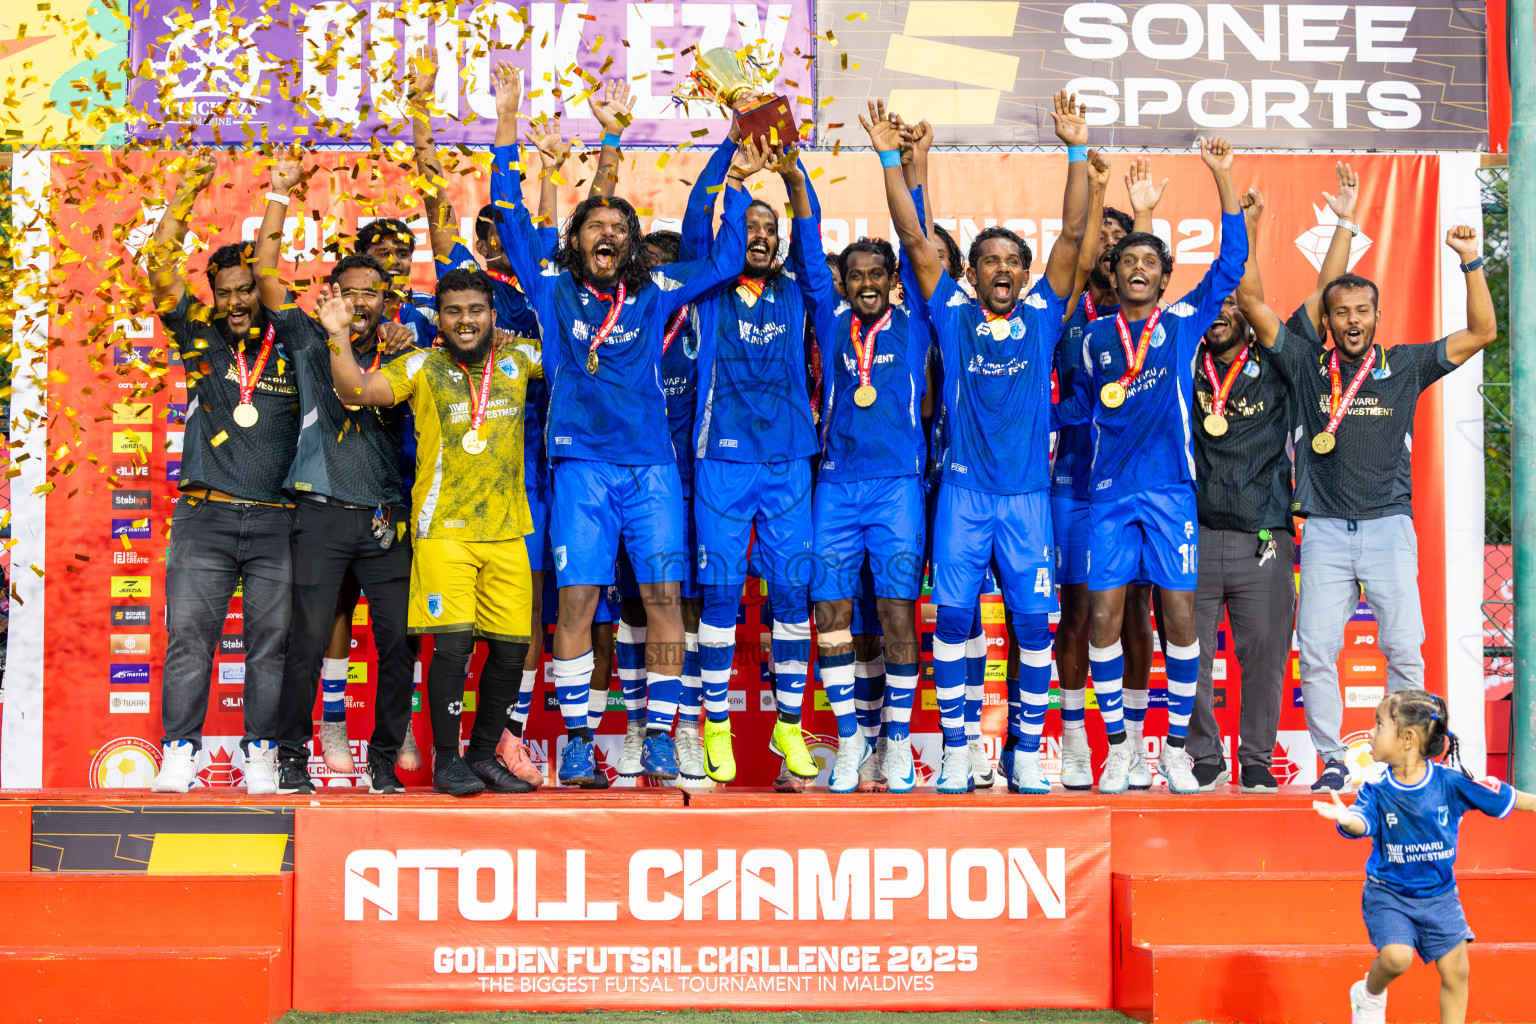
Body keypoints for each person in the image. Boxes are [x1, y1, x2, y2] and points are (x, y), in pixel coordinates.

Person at [488, 62, 766, 786]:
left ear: (634, 246)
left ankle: (665, 733)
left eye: (619, 226)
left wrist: (736, 183)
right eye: (595, 225)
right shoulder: (549, 289)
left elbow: (731, 256)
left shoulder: (659, 287)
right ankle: (579, 738)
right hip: (580, 468)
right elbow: (508, 210)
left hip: (649, 470)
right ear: (576, 240)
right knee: (577, 599)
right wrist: (508, 120)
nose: (606, 233)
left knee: (664, 599)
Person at [868, 93, 1096, 793]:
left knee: (1034, 632)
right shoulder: (952, 313)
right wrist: (890, 159)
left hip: (1026, 502)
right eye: (988, 260)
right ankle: (960, 750)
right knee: (955, 630)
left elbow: (1073, 235)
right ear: (969, 273)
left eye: (1011, 262)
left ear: (1026, 276)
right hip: (962, 500)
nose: (1001, 270)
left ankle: (1026, 750)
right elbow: (911, 239)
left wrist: (1077, 151)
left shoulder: (1044, 315)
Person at [1235, 209, 1497, 793]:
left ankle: (1415, 760)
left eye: (1361, 312)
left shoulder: (1403, 365)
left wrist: (1470, 262)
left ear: (1378, 316)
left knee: (1404, 651)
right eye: (1340, 313)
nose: (1352, 322)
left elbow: (1482, 332)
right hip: (1324, 531)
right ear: (1325, 320)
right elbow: (1250, 299)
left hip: (1388, 530)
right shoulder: (1305, 364)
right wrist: (1244, 224)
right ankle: (1331, 758)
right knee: (1319, 651)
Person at [1067, 137, 1247, 795]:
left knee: (1177, 620)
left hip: (1171, 493)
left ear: (1165, 280)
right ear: (1112, 277)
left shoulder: (1181, 324)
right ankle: (1120, 749)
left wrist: (1221, 175)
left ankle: (1175, 750)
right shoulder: (1089, 339)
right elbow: (1078, 412)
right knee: (1106, 619)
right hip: (1108, 497)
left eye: (1151, 262)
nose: (1139, 269)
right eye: (1128, 262)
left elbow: (1233, 261)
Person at [322, 266, 539, 796]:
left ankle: (484, 756)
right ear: (437, 319)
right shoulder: (419, 365)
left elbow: (580, 361)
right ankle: (448, 761)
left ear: (493, 315)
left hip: (510, 532)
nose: (466, 321)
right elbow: (354, 388)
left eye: (476, 311)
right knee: (454, 648)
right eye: (453, 312)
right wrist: (335, 335)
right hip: (443, 531)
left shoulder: (522, 358)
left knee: (512, 651)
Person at [1184, 166, 1356, 794]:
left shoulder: (1281, 360)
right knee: (1191, 657)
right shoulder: (1181, 360)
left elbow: (1325, 293)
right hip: (1195, 533)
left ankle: (1255, 758)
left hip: (1265, 536)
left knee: (1262, 658)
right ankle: (1204, 758)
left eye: (1235, 301)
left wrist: (1342, 221)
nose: (1224, 311)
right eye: (1215, 303)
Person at [251, 154, 419, 796]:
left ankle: (382, 757)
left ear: (387, 300)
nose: (358, 302)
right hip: (319, 513)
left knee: (400, 644)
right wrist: (277, 194)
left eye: (371, 293)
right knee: (307, 641)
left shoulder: (409, 347)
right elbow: (267, 273)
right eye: (347, 292)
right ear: (332, 297)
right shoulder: (304, 336)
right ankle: (293, 756)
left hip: (385, 516)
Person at [144, 152, 301, 794]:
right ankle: (179, 751)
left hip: (277, 523)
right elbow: (157, 269)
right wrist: (182, 194)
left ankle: (259, 753)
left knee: (270, 648)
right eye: (226, 293)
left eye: (245, 291)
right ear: (214, 298)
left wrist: (279, 197)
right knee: (189, 642)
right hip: (205, 517)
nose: (237, 302)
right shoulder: (198, 338)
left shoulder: (295, 341)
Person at [681, 122, 820, 787]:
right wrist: (733, 161)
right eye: (749, 227)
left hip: (791, 462)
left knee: (794, 592)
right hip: (721, 464)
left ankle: (789, 727)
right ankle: (713, 722)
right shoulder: (706, 287)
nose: (759, 236)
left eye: (770, 229)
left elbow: (812, 239)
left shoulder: (801, 291)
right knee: (718, 592)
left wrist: (791, 173)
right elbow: (695, 220)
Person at [787, 153, 929, 793]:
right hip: (836, 489)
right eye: (856, 276)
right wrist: (795, 177)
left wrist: (902, 164)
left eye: (878, 274)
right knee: (831, 615)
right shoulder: (829, 316)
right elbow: (809, 246)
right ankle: (850, 742)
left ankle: (895, 742)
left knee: (898, 616)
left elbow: (918, 237)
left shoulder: (921, 321)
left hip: (898, 486)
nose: (866, 283)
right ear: (843, 283)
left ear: (894, 279)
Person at [1313, 690, 1532, 1024]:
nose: (1369, 733)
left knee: (1456, 970)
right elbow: (1362, 822)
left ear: (1408, 738)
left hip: (1441, 896)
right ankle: (1368, 996)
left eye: (1379, 724)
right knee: (1397, 958)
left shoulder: (1450, 782)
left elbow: (1509, 797)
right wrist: (1347, 820)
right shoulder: (1376, 787)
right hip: (1388, 894)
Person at [1051, 159, 1161, 790]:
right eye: (1107, 245)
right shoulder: (1067, 313)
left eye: (1125, 248)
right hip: (1074, 480)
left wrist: (1138, 214)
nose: (1116, 254)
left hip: (1138, 481)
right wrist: (1095, 197)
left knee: (1136, 611)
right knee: (1075, 612)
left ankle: (1138, 745)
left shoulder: (1148, 322)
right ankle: (1071, 741)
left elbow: (1147, 252)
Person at [612, 229, 707, 782]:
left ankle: (686, 728)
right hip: (632, 480)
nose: (653, 275)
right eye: (644, 264)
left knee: (683, 612)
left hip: (693, 485)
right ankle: (637, 726)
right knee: (632, 610)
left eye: (664, 266)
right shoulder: (626, 322)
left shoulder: (699, 326)